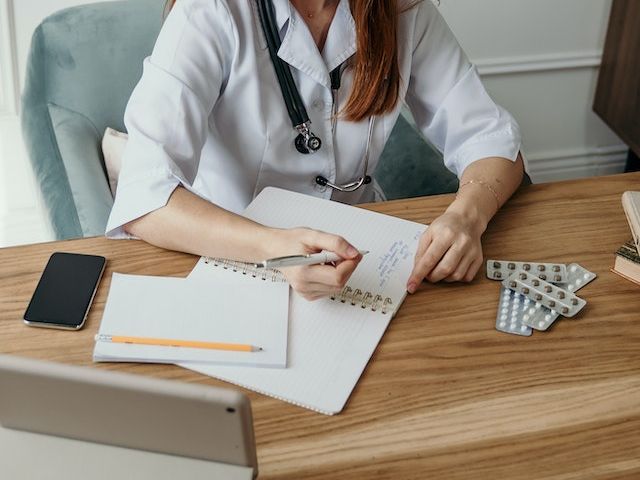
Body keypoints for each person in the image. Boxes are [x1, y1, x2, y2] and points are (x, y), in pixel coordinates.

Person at [106, 0, 525, 300]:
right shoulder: (210, 12)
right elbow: (146, 195)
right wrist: (276, 249)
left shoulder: (404, 10)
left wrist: (466, 216)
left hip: (364, 255)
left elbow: (490, 138)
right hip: (233, 252)